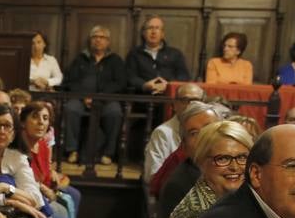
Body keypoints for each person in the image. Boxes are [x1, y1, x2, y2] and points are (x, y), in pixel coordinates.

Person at [161, 120, 252, 218]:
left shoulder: (232, 200)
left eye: (242, 157)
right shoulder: (199, 214)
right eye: (222, 158)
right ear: (202, 161)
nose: (234, 167)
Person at [155, 101, 224, 218]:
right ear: (184, 145)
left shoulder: (236, 171)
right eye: (193, 133)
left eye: (208, 128)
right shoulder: (178, 186)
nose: (203, 136)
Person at [62, 25, 127, 166]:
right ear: (90, 40)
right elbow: (70, 81)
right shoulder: (80, 59)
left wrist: (101, 97)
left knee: (115, 112)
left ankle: (108, 153)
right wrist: (84, 97)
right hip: (81, 99)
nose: (98, 40)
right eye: (95, 37)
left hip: (107, 100)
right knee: (70, 109)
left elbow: (120, 83)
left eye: (102, 37)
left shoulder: (115, 60)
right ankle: (72, 150)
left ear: (108, 41)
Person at [142, 81, 204, 180]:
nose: (191, 105)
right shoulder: (162, 133)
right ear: (175, 104)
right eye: (185, 100)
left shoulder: (207, 131)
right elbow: (152, 175)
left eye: (196, 100)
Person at [126, 15, 190, 96]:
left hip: (169, 98)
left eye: (157, 28)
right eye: (150, 28)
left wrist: (168, 85)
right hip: (143, 97)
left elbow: (184, 76)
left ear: (162, 34)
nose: (153, 32)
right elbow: (130, 76)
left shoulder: (175, 53)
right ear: (144, 33)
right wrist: (144, 85)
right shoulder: (134, 54)